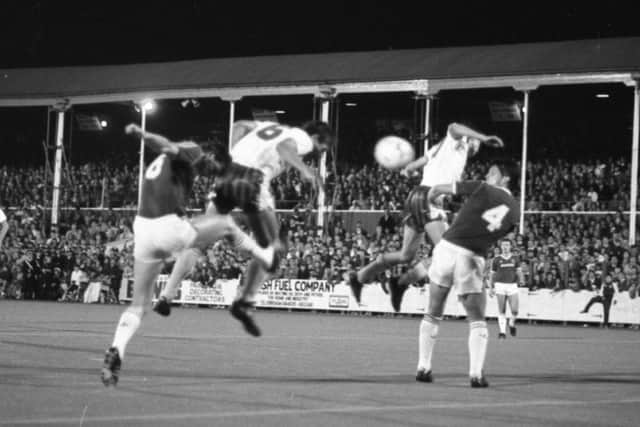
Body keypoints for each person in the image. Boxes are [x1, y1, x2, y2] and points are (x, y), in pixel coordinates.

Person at [101, 124, 280, 387]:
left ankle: (117, 349)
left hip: (143, 230)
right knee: (225, 224)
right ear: (210, 154)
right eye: (214, 167)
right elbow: (166, 145)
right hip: (167, 227)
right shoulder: (193, 150)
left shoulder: (171, 164)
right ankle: (263, 254)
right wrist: (144, 135)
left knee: (139, 304)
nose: (211, 173)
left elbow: (164, 151)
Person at [154, 120, 332, 337]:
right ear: (316, 137)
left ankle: (166, 296)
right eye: (324, 147)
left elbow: (239, 125)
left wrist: (236, 153)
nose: (322, 152)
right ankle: (243, 301)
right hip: (252, 181)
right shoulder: (302, 138)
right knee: (276, 248)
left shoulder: (269, 126)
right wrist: (304, 170)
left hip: (228, 175)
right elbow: (284, 148)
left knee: (199, 243)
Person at [391, 161, 520, 388]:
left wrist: (428, 199)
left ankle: (423, 366)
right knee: (476, 318)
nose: (487, 173)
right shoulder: (516, 212)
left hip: (447, 248)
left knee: (433, 310)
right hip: (472, 256)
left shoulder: (482, 187)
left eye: (493, 172)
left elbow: (439, 189)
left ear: (506, 179)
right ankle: (476, 375)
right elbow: (499, 234)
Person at [349, 123, 503, 303]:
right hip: (428, 198)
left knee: (406, 255)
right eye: (476, 143)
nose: (477, 147)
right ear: (468, 140)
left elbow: (411, 167)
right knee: (450, 251)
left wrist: (408, 171)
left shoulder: (439, 150)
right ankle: (401, 283)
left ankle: (359, 277)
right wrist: (484, 137)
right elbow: (454, 127)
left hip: (416, 197)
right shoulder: (456, 144)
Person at [488, 239, 523, 339]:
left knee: (515, 310)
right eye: (503, 245)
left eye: (507, 245)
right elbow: (492, 275)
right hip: (500, 285)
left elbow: (519, 271)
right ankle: (502, 332)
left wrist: (521, 279)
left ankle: (511, 323)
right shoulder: (496, 259)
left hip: (512, 285)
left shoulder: (515, 258)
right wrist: (491, 288)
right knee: (502, 309)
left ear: (510, 246)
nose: (505, 247)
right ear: (501, 247)